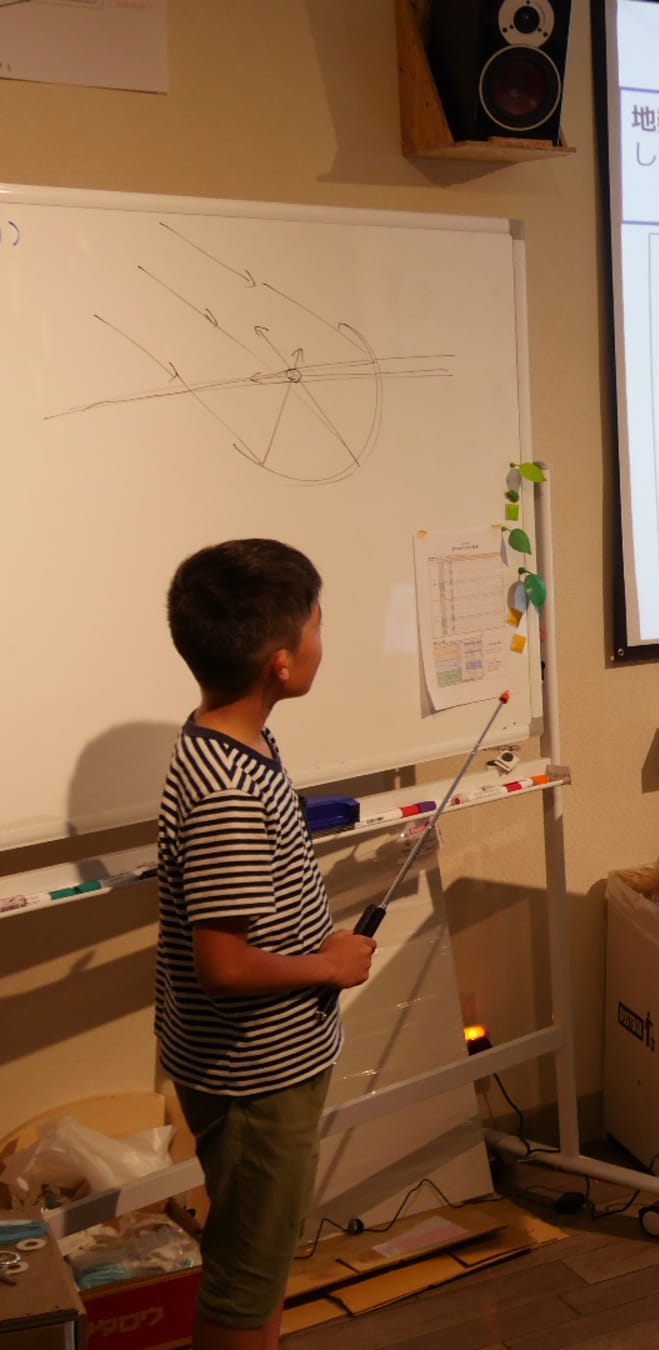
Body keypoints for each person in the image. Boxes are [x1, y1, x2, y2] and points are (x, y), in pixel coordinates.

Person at [156, 541, 375, 1350]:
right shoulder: (229, 787)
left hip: (264, 1062)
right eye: (317, 625)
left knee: (264, 1259)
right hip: (256, 1077)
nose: (322, 638)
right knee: (246, 1281)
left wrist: (314, 940)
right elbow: (223, 964)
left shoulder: (234, 742)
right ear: (281, 663)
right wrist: (331, 965)